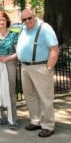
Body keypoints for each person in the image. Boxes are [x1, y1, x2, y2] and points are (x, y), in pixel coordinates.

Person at [16, 9, 59, 138]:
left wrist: (49, 67)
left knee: (45, 98)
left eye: (29, 18)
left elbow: (54, 49)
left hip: (41, 67)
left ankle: (48, 125)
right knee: (30, 96)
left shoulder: (44, 28)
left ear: (34, 16)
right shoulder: (23, 29)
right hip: (25, 67)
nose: (27, 21)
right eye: (24, 19)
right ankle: (36, 121)